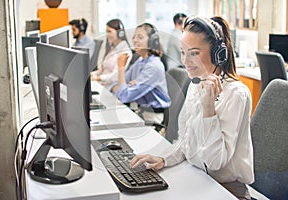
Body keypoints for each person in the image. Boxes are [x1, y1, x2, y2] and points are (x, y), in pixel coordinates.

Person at [130, 16, 254, 200]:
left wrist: (208, 109)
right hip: (198, 179)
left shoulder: (236, 94)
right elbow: (187, 140)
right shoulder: (195, 85)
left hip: (227, 191)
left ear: (217, 54)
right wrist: (165, 159)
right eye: (183, 52)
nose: (185, 61)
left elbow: (214, 162)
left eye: (194, 53)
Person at [111, 23, 170, 124]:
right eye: (134, 37)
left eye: (140, 37)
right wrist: (124, 87)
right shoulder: (140, 61)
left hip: (154, 119)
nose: (134, 40)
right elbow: (116, 85)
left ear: (151, 41)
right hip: (141, 114)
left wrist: (121, 68)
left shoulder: (153, 67)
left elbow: (124, 96)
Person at [91, 19, 132, 88]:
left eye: (109, 31)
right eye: (106, 31)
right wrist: (91, 75)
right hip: (101, 84)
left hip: (110, 87)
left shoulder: (125, 52)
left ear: (120, 33)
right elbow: (102, 70)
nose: (107, 34)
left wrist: (96, 78)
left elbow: (115, 76)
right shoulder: (112, 48)